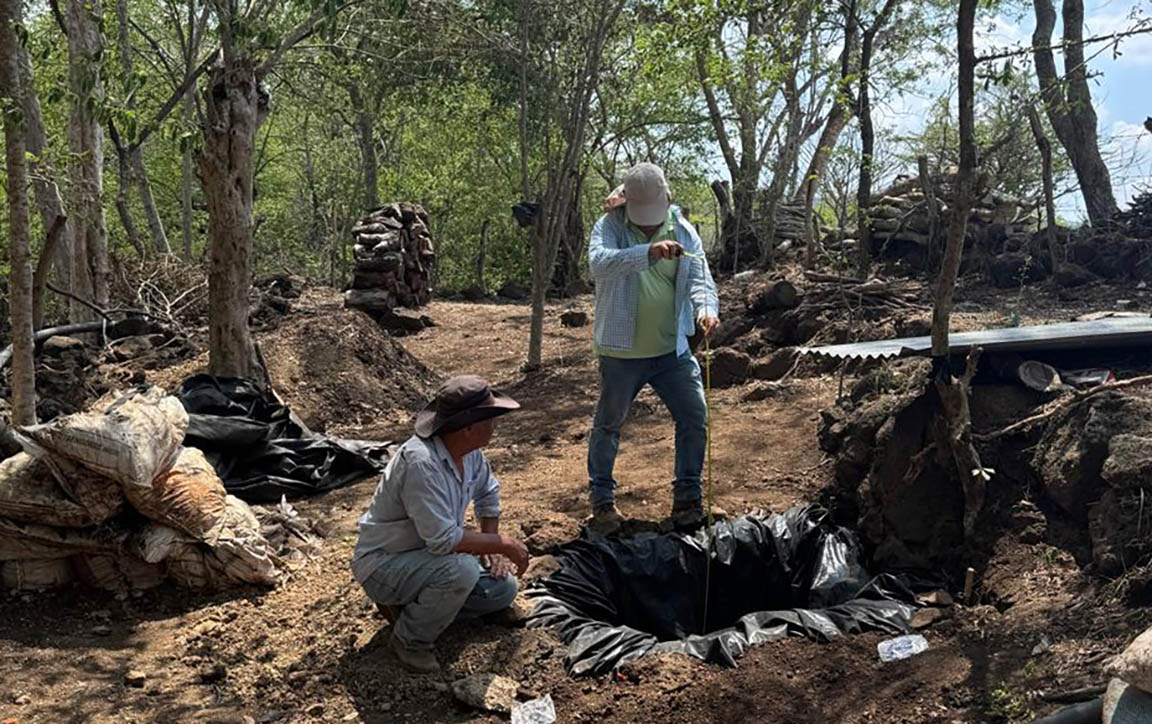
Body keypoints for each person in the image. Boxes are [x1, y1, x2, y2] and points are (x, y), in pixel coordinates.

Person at [351, 375, 531, 673]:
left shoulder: (470, 455)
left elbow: (488, 493)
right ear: (468, 427)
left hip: (430, 558)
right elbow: (444, 540)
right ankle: (410, 640)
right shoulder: (421, 463)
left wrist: (491, 546)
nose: (494, 425)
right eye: (489, 419)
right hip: (386, 565)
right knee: (461, 570)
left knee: (504, 589)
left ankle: (415, 607)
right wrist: (504, 544)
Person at [586, 162, 720, 535]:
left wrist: (706, 311)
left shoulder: (683, 229)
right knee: (608, 425)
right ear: (626, 202)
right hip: (621, 354)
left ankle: (688, 499)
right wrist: (649, 252)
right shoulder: (609, 226)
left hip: (671, 351)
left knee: (694, 416)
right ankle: (602, 503)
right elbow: (599, 264)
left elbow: (701, 279)